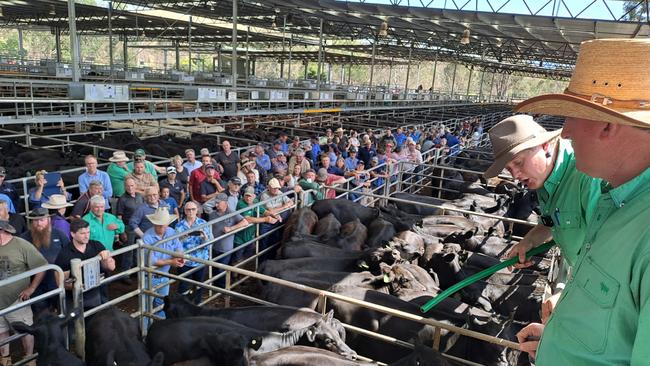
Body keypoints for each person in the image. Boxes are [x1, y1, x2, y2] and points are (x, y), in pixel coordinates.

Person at [509, 38, 650, 365]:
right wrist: (562, 337)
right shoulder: (614, 202)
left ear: (608, 124)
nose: (566, 133)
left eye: (572, 117)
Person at [0, 221, 47, 366]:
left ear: (2, 231)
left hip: (16, 299)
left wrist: (31, 288)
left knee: (25, 330)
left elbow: (42, 265)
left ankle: (29, 358)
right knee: (1, 331)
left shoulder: (21, 245)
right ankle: (5, 359)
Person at [54, 219, 115, 310]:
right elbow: (62, 283)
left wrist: (106, 258)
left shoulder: (97, 245)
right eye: (82, 233)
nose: (86, 236)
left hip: (98, 293)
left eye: (88, 232)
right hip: (77, 299)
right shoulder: (64, 254)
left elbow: (112, 267)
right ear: (73, 234)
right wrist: (83, 286)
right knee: (80, 322)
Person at [20, 208, 69, 315]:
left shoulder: (59, 235)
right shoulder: (24, 239)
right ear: (32, 222)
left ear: (48, 220)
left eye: (42, 220)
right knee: (41, 317)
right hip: (35, 286)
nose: (39, 223)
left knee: (62, 313)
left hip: (57, 282)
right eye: (35, 220)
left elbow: (69, 254)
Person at [142, 208, 183, 317]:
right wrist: (171, 262)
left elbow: (178, 247)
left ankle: (161, 327)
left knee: (162, 304)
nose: (162, 228)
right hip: (150, 276)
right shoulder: (147, 237)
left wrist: (180, 258)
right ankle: (145, 332)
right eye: (159, 225)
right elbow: (151, 261)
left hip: (164, 275)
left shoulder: (171, 232)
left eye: (164, 225)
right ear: (154, 224)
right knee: (146, 307)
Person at [175, 201, 212, 304]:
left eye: (193, 209)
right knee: (183, 286)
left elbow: (209, 245)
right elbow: (174, 245)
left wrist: (204, 238)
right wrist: (181, 238)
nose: (191, 211)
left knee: (199, 285)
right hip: (184, 261)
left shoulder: (204, 224)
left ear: (197, 210)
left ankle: (197, 306)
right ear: (185, 211)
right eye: (188, 209)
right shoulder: (179, 226)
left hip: (200, 260)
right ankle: (183, 306)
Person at [207, 193, 248, 277]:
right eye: (215, 202)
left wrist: (231, 229)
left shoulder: (232, 213)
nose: (216, 204)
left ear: (225, 203)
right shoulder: (212, 214)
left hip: (225, 249)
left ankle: (221, 288)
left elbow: (245, 222)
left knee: (221, 271)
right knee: (214, 270)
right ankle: (215, 287)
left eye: (218, 202)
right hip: (214, 247)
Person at [233, 187, 277, 263]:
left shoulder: (256, 202)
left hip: (250, 236)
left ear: (254, 196)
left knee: (248, 258)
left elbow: (264, 211)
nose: (248, 198)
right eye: (246, 195)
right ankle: (234, 274)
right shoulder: (241, 203)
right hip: (240, 237)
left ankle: (243, 272)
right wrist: (265, 219)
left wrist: (274, 215)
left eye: (250, 196)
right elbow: (248, 219)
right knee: (237, 259)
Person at [115, 177, 143, 278]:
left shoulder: (140, 196)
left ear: (135, 186)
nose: (130, 187)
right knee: (128, 251)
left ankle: (136, 269)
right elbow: (119, 217)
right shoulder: (122, 199)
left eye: (132, 185)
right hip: (128, 228)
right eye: (127, 186)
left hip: (139, 227)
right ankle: (125, 274)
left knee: (138, 250)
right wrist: (121, 232)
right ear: (124, 186)